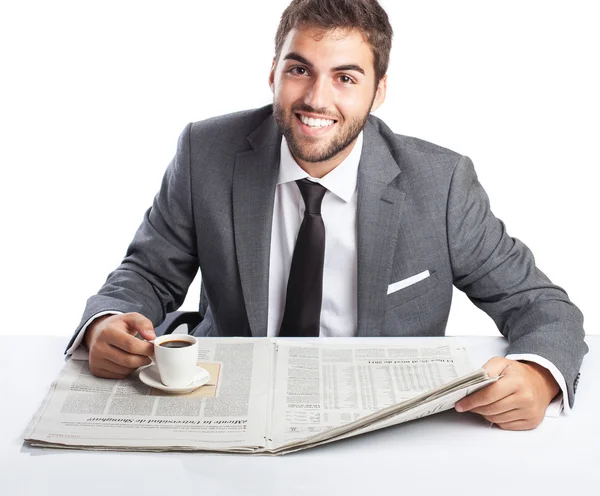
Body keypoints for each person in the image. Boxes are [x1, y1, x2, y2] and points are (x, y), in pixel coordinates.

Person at [66, 0, 587, 431]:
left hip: (382, 430)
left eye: (345, 77)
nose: (317, 98)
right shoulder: (207, 153)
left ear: (378, 91)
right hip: (225, 412)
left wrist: (539, 375)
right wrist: (106, 322)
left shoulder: (441, 184)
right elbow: (148, 273)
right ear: (274, 73)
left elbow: (540, 305)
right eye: (299, 70)